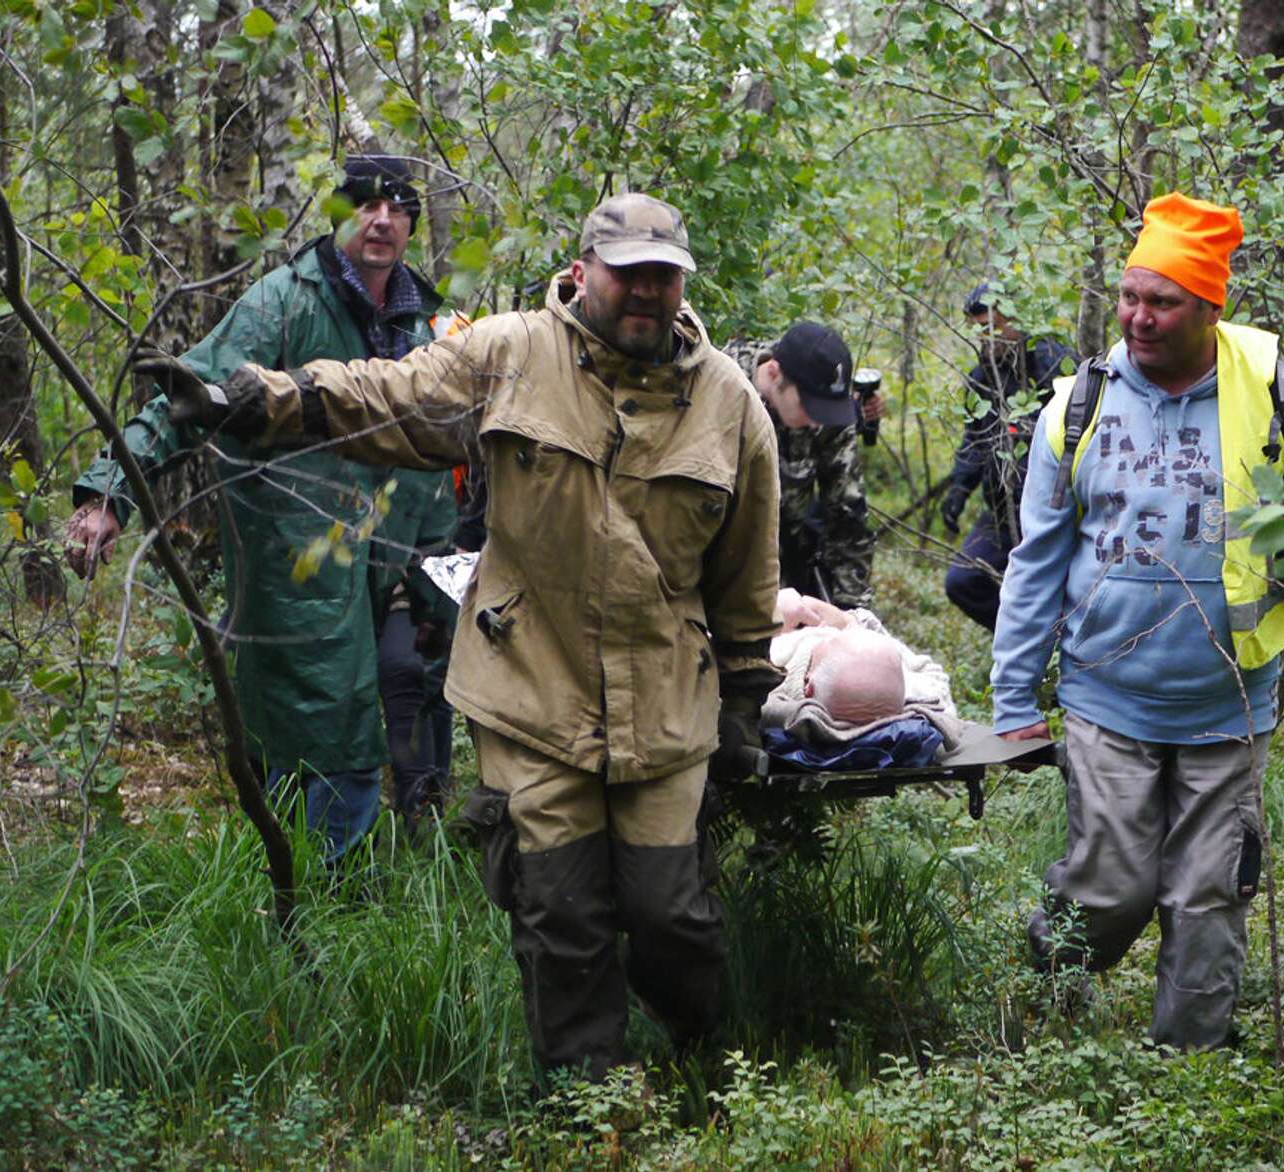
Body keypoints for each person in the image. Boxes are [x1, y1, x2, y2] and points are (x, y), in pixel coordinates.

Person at [137, 192, 782, 1083]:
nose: (645, 293)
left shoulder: (731, 407)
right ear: (582, 272)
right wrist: (259, 400)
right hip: (531, 692)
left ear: (682, 285)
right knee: (561, 915)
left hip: (666, 705)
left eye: (662, 278)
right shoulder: (508, 356)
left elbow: (747, 573)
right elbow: (385, 396)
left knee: (672, 915)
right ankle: (588, 1103)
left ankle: (704, 1070)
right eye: (628, 274)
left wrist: (745, 700)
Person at [988, 193, 1284, 1049]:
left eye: (1161, 301)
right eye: (1130, 295)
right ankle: (1044, 989)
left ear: (1211, 307)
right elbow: (1036, 559)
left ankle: (1189, 1074)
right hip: (1107, 697)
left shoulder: (1272, 389)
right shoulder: (1078, 406)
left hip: (1230, 704)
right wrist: (1014, 692)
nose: (1136, 317)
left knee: (1208, 898)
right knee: (1111, 890)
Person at [63, 155, 464, 860]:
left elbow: (432, 450)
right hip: (298, 558)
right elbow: (182, 403)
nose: (379, 220)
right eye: (363, 205)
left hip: (397, 555)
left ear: (411, 222)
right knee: (314, 721)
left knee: (408, 698)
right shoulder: (282, 302)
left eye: (396, 207)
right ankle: (315, 897)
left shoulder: (422, 325)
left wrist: (437, 582)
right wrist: (108, 495)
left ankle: (390, 864)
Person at [940, 284, 1077, 630]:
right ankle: (1026, 639)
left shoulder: (1055, 367)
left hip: (1058, 513)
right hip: (1003, 514)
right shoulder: (981, 379)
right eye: (977, 330)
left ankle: (1059, 645)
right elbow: (975, 438)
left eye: (992, 327)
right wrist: (959, 488)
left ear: (1015, 320)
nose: (986, 339)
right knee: (963, 581)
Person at [727, 323, 881, 608]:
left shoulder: (826, 413)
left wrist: (852, 611)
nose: (817, 421)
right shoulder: (721, 388)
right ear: (773, 373)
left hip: (787, 553)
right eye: (810, 407)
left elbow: (848, 518)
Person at [765, 589, 963, 757]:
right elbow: (937, 685)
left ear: (808, 687)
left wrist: (769, 614)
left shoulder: (774, 663)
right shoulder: (905, 689)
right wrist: (848, 620)